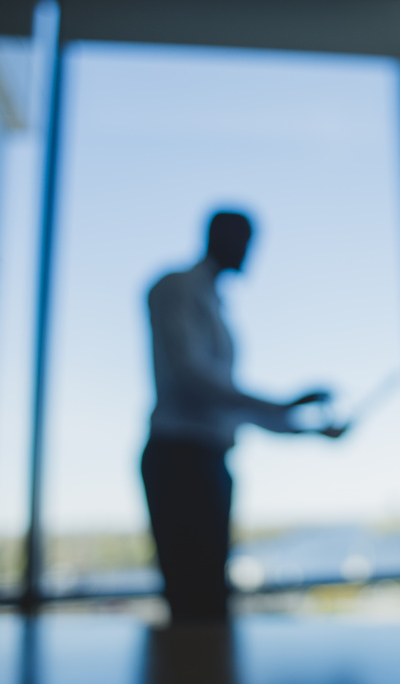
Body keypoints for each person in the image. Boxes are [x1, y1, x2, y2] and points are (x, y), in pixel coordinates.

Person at [141, 210, 339, 623]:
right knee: (193, 600)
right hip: (180, 462)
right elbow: (193, 380)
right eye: (245, 240)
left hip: (208, 462)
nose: (250, 252)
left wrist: (307, 428)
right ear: (221, 237)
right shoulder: (175, 288)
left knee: (208, 597)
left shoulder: (212, 303)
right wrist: (284, 406)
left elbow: (226, 403)